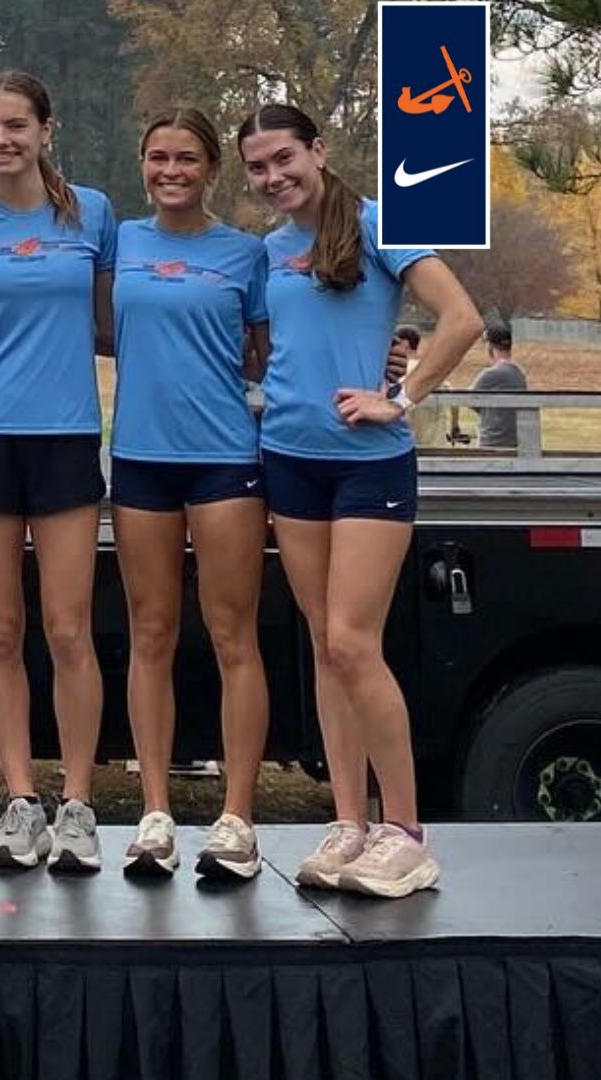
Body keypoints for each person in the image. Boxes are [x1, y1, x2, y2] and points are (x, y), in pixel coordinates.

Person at [238, 102, 479, 898]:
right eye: (258, 168)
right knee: (321, 641)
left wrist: (400, 399)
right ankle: (348, 823)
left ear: (319, 149)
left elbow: (461, 318)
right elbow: (280, 347)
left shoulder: (380, 224)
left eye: (284, 159)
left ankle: (406, 834)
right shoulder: (271, 251)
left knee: (352, 640)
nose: (275, 177)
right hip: (290, 462)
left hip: (370, 468)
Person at [0, 70, 116, 872]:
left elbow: (117, 323)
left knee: (68, 629)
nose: (1, 141)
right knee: (0, 631)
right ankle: (20, 802)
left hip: (68, 436)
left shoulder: (94, 214)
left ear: (48, 129)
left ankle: (77, 803)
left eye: (16, 126)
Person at [108, 108, 271, 881]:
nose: (171, 171)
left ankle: (237, 818)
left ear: (212, 169)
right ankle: (154, 814)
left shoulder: (247, 254)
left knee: (233, 633)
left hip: (222, 461)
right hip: (139, 457)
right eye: (157, 157)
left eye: (186, 159)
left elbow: (271, 353)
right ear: (142, 164)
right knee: (151, 634)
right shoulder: (120, 242)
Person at [471, 323, 528, 449]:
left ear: (490, 346)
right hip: (515, 441)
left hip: (491, 441)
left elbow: (470, 400)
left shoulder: (490, 374)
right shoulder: (519, 373)